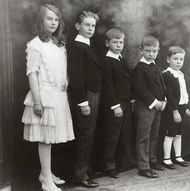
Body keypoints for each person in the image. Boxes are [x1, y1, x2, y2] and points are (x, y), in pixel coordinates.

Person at [21, 4, 75, 191]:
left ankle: (46, 173)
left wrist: (66, 80)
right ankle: (46, 181)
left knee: (51, 139)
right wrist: (37, 101)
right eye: (49, 18)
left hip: (58, 95)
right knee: (45, 139)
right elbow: (32, 74)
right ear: (41, 21)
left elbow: (61, 68)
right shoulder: (36, 45)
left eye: (56, 19)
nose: (53, 22)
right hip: (44, 96)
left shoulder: (58, 44)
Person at [67, 11, 101, 188]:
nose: (90, 28)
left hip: (93, 94)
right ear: (78, 26)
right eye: (87, 25)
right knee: (84, 135)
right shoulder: (76, 47)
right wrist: (83, 102)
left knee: (89, 134)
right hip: (85, 96)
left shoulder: (88, 46)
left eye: (93, 26)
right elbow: (77, 77)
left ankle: (86, 169)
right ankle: (80, 174)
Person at [102, 28, 135, 178]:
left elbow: (127, 82)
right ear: (107, 43)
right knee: (112, 135)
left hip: (126, 102)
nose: (118, 45)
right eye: (115, 42)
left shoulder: (120, 59)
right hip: (115, 104)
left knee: (125, 133)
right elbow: (108, 86)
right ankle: (109, 165)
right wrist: (115, 106)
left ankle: (125, 161)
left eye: (121, 42)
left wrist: (131, 98)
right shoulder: (107, 61)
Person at [133, 35, 166, 178]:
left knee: (154, 134)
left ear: (158, 51)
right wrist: (155, 102)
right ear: (141, 50)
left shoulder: (155, 66)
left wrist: (163, 100)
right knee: (144, 136)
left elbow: (162, 86)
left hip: (158, 106)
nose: (151, 54)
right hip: (146, 106)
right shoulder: (140, 68)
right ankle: (143, 166)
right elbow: (140, 90)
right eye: (148, 51)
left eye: (154, 51)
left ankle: (152, 160)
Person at [162, 46, 189, 170]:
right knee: (170, 134)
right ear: (168, 59)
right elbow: (170, 95)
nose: (179, 62)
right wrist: (175, 111)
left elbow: (184, 93)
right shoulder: (167, 74)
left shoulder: (180, 74)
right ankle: (167, 158)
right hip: (173, 109)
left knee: (178, 134)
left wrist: (187, 107)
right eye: (175, 59)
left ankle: (178, 156)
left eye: (181, 59)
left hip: (182, 107)